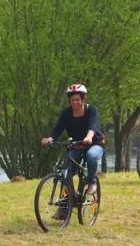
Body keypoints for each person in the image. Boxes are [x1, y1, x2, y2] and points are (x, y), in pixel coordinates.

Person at [41, 84, 105, 219]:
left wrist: (88, 137)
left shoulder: (91, 110)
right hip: (76, 146)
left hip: (94, 143)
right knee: (66, 173)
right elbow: (58, 128)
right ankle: (64, 209)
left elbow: (93, 126)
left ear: (83, 99)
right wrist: (50, 139)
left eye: (77, 99)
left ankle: (92, 182)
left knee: (91, 156)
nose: (75, 102)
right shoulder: (66, 113)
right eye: (72, 100)